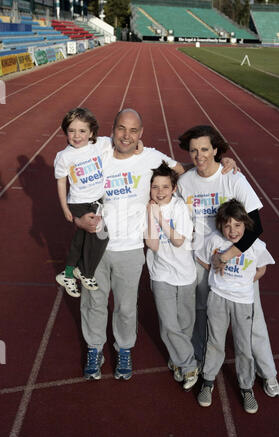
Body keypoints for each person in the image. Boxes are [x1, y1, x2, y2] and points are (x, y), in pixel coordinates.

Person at [75, 111, 237, 382]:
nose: (127, 136)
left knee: (126, 307)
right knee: (93, 302)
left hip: (130, 248)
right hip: (97, 245)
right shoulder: (97, 154)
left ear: (141, 134)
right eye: (122, 129)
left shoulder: (150, 157)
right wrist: (79, 219)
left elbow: (184, 170)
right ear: (111, 130)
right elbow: (75, 186)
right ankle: (94, 348)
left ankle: (123, 348)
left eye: (134, 130)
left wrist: (221, 163)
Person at [177, 125, 279, 398]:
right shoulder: (185, 182)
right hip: (202, 261)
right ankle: (199, 361)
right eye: (194, 150)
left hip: (235, 263)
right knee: (201, 314)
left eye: (205, 149)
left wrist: (226, 257)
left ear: (216, 150)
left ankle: (267, 372)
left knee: (253, 321)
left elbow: (255, 226)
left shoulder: (232, 177)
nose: (199, 155)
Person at [196, 199, 275, 414]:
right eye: (227, 225)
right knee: (215, 342)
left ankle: (246, 386)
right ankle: (208, 381)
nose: (232, 231)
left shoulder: (255, 246)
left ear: (245, 225)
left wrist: (246, 281)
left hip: (243, 302)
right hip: (218, 298)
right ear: (220, 225)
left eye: (237, 225)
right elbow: (203, 259)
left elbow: (262, 269)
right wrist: (213, 269)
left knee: (243, 346)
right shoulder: (214, 240)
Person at [145, 162, 198, 391]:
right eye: (155, 186)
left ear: (174, 188)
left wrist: (160, 219)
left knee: (185, 323)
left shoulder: (180, 208)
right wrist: (151, 215)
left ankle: (177, 359)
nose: (160, 191)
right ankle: (189, 366)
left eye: (165, 186)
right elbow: (153, 244)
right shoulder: (148, 209)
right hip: (161, 274)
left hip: (185, 274)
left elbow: (178, 240)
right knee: (168, 324)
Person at [54, 108, 110, 298]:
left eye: (82, 131)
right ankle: (85, 272)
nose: (77, 136)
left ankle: (69, 274)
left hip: (96, 201)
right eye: (71, 131)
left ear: (92, 133)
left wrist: (140, 143)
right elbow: (61, 182)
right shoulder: (64, 157)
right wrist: (64, 208)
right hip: (79, 202)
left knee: (81, 240)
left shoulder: (100, 144)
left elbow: (121, 142)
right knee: (100, 234)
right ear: (65, 132)